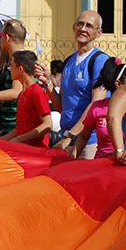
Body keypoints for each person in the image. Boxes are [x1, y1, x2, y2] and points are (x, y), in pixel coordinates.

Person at [47, 11, 111, 156]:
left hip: (89, 141)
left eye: (89, 26)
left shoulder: (100, 62)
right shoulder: (69, 61)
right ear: (73, 27)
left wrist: (69, 136)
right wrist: (47, 85)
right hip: (66, 139)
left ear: (99, 33)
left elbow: (96, 105)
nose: (83, 29)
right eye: (80, 24)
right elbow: (63, 106)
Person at [72, 58, 126, 159]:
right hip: (101, 166)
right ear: (118, 84)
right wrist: (71, 159)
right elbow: (83, 136)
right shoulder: (97, 108)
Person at [1, 50, 52, 147]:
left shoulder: (37, 92)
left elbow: (47, 125)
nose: (9, 69)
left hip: (35, 151)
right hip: (23, 148)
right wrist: (4, 140)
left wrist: (19, 139)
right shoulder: (22, 94)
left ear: (20, 69)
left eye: (11, 66)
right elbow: (21, 128)